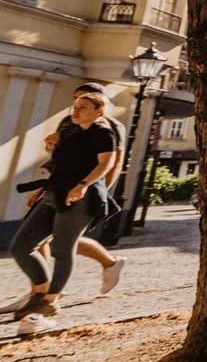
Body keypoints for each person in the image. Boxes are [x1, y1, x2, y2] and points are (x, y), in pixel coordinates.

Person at [7, 91, 122, 329]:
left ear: (99, 111)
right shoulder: (71, 130)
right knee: (21, 246)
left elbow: (106, 164)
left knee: (61, 248)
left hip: (80, 197)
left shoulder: (103, 133)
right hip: (54, 191)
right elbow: (61, 164)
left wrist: (83, 186)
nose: (76, 111)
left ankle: (51, 301)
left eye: (83, 107)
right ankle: (40, 291)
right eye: (75, 106)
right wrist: (42, 185)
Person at [36, 82, 128, 294]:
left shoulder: (111, 127)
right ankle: (43, 288)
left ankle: (45, 291)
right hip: (58, 186)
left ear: (100, 103)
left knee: (59, 240)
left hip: (85, 189)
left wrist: (99, 192)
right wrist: (51, 146)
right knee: (45, 238)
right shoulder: (68, 121)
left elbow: (114, 162)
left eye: (85, 98)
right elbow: (61, 156)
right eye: (76, 98)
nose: (78, 103)